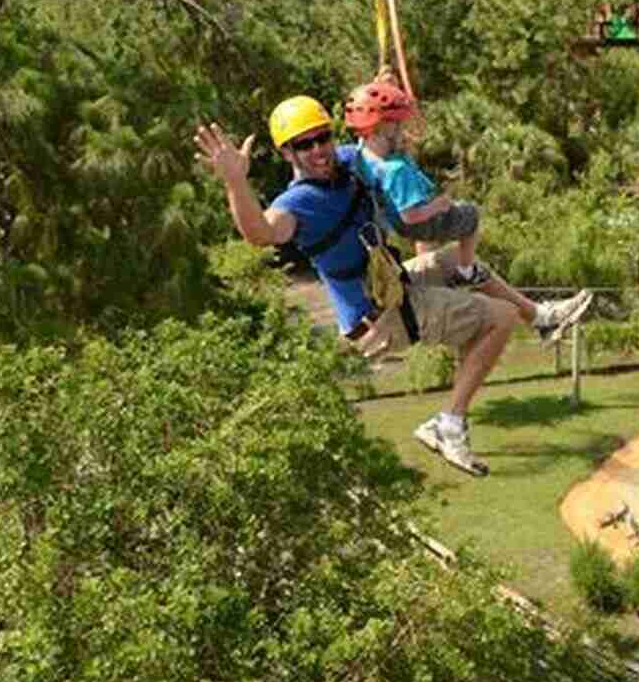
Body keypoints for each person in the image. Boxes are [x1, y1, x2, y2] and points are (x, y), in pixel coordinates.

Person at [193, 96, 593, 476]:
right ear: (287, 154)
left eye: (323, 137)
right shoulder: (297, 204)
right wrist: (234, 182)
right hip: (380, 317)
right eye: (305, 144)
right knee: (499, 319)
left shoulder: (349, 162)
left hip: (394, 286)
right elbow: (261, 233)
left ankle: (540, 317)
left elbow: (378, 141)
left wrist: (385, 102)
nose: (319, 150)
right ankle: (449, 424)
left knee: (455, 259)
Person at [345, 72, 487, 288]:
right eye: (397, 125)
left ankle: (438, 271)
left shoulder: (362, 153)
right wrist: (439, 206)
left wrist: (381, 88)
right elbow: (411, 216)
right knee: (471, 216)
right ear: (381, 128)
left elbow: (368, 112)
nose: (401, 128)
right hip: (417, 222)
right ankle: (466, 271)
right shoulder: (396, 170)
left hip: (394, 219)